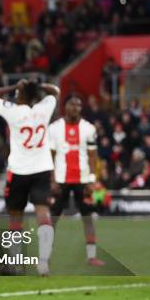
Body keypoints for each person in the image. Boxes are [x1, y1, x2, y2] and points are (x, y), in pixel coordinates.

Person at [0, 79, 59, 276]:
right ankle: (43, 263)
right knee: (43, 214)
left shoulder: (13, 111)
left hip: (18, 170)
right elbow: (55, 91)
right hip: (42, 169)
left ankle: (15, 263)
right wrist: (37, 85)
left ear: (20, 95)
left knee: (15, 216)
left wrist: (13, 86)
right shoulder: (44, 108)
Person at [48, 94, 105, 266]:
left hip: (82, 180)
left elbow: (93, 156)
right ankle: (45, 256)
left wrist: (92, 180)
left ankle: (91, 256)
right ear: (65, 107)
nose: (76, 108)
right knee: (53, 218)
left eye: (79, 105)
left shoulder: (89, 129)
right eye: (73, 104)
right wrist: (52, 180)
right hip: (60, 179)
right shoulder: (54, 128)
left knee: (87, 217)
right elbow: (50, 155)